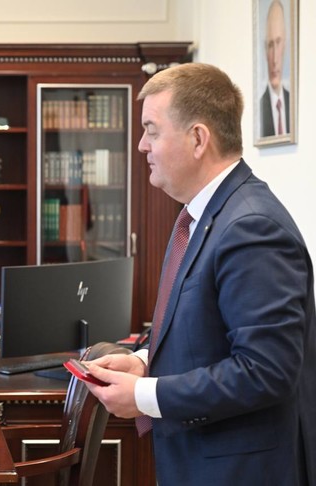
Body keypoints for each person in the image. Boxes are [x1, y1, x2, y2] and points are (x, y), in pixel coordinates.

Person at [83, 63, 315, 485]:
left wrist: (145, 395)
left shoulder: (251, 227)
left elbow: (265, 371)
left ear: (197, 139)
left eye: (152, 131)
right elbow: (201, 333)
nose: (142, 145)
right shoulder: (205, 215)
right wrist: (143, 362)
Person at [260, 0, 290, 137]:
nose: (275, 60)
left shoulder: (293, 104)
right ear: (265, 50)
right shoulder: (260, 107)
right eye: (270, 45)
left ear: (285, 45)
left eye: (278, 42)